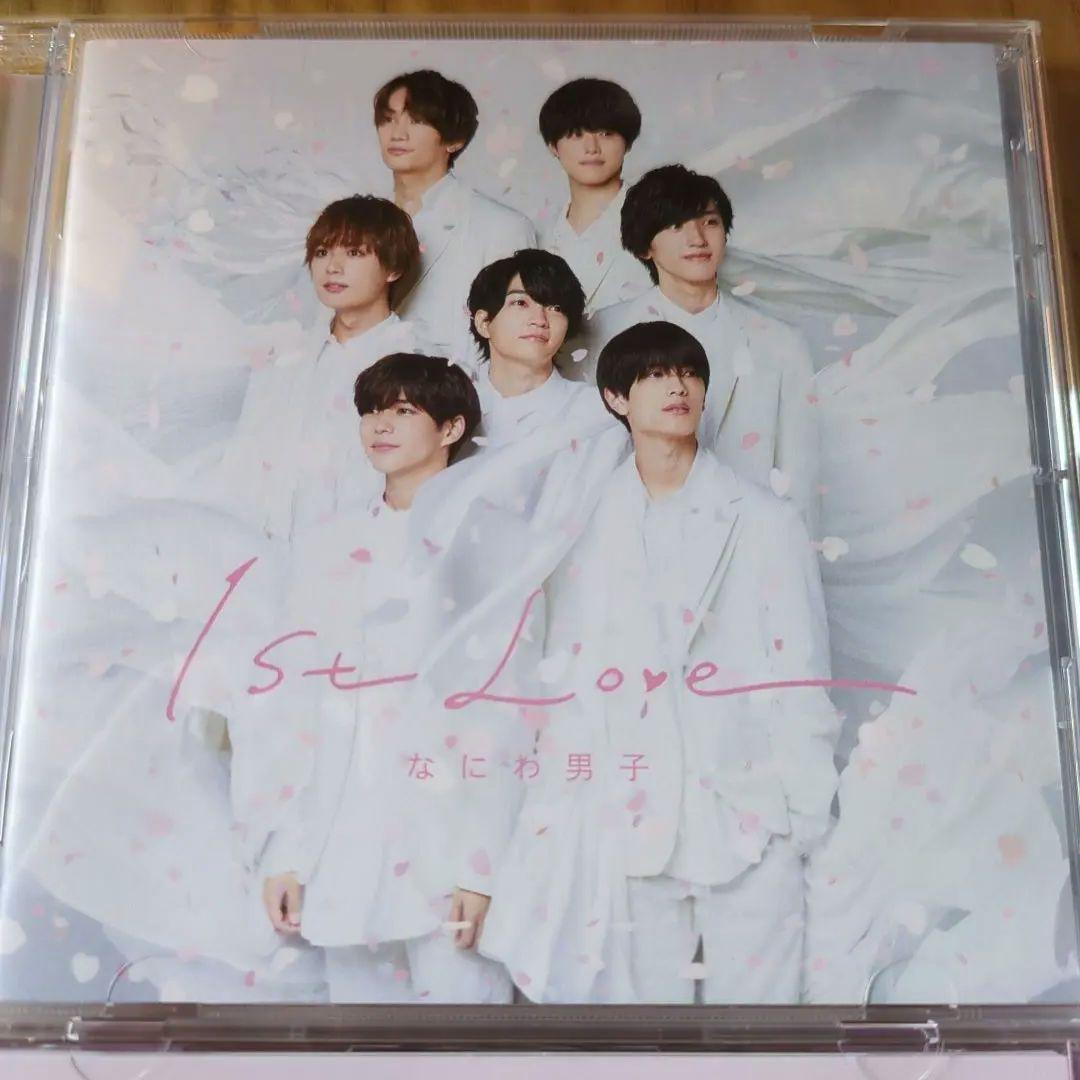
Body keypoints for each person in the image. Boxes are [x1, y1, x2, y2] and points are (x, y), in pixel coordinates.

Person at [481, 321, 841, 1004]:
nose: (677, 386)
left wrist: (804, 817)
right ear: (616, 399)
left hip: (750, 816)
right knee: (646, 1037)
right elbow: (564, 674)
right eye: (653, 375)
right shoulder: (583, 524)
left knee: (764, 1037)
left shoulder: (765, 521)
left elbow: (801, 673)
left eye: (688, 373)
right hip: (628, 820)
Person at [254, 352, 519, 1003]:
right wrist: (285, 853)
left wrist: (482, 867)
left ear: (451, 428)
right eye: (372, 411)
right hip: (343, 843)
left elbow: (509, 708)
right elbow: (293, 705)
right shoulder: (325, 546)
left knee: (468, 1039)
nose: (380, 425)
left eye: (402, 410)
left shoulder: (493, 542)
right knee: (358, 1041)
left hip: (449, 841)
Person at [590, 165, 819, 527]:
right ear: (645, 245)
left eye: (709, 222)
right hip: (633, 534)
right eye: (676, 225)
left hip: (746, 536)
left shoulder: (780, 343)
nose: (697, 238)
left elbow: (800, 475)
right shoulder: (601, 333)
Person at [218, 195, 422, 541]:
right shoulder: (285, 355)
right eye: (323, 252)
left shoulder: (415, 361)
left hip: (358, 550)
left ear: (393, 269)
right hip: (261, 546)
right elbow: (243, 456)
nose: (332, 267)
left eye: (354, 253)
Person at [374, 70, 536, 362]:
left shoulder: (501, 226)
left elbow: (514, 342)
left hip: (455, 384)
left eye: (417, 121)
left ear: (455, 140)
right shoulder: (358, 223)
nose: (397, 133)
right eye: (388, 119)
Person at [465, 248, 607, 450]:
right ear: (484, 322)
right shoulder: (448, 404)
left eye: (555, 308)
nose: (540, 320)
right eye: (521, 302)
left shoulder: (594, 411)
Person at [538, 77, 652, 316]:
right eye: (576, 135)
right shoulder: (538, 234)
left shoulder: (659, 218)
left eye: (606, 133)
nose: (591, 148)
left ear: (628, 143)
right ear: (553, 146)